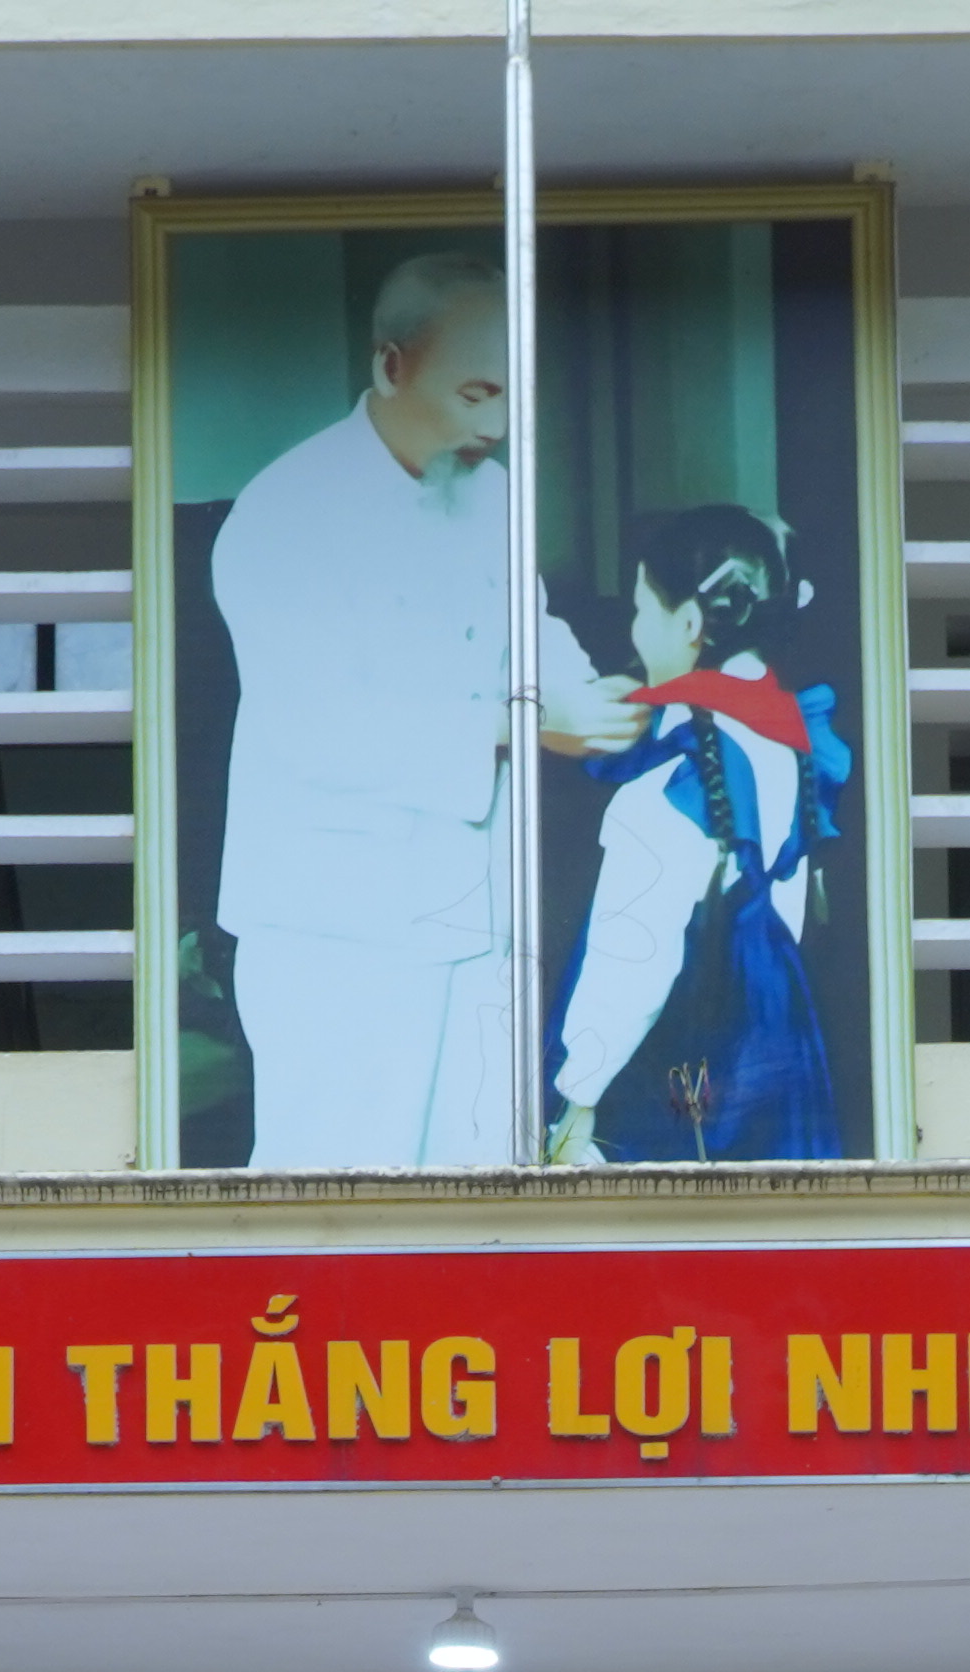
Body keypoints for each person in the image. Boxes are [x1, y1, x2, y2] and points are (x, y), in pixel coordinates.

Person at [206, 250, 589, 1171]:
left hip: (478, 917)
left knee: (484, 1185)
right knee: (338, 1192)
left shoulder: (495, 498)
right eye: (476, 394)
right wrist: (514, 722)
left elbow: (535, 637)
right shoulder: (285, 512)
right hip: (336, 930)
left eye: (514, 399)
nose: (497, 426)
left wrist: (592, 698)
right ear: (390, 366)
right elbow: (321, 729)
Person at [542, 500, 846, 1165]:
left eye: (640, 609)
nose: (635, 630)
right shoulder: (788, 739)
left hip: (689, 1070)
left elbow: (632, 961)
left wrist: (576, 1102)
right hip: (781, 1052)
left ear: (686, 623)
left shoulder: (671, 783)